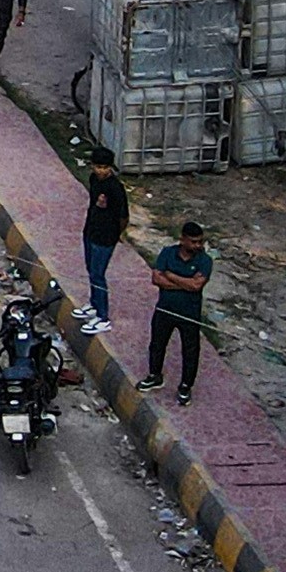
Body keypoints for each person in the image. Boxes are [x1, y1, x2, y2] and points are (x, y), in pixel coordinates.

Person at [136, 220, 214, 406]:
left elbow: (196, 286)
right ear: (183, 240)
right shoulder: (168, 253)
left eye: (200, 242)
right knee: (157, 343)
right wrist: (184, 283)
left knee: (190, 350)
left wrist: (170, 276)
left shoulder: (204, 260)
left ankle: (186, 386)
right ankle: (155, 375)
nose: (198, 246)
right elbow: (156, 279)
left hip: (189, 314)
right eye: (193, 242)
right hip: (165, 309)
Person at [75, 147, 125, 334]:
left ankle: (103, 317)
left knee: (98, 274)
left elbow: (123, 216)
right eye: (98, 166)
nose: (101, 171)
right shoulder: (94, 180)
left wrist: (116, 234)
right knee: (90, 270)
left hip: (105, 237)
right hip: (91, 231)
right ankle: (94, 304)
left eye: (104, 167)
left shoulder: (115, 188)